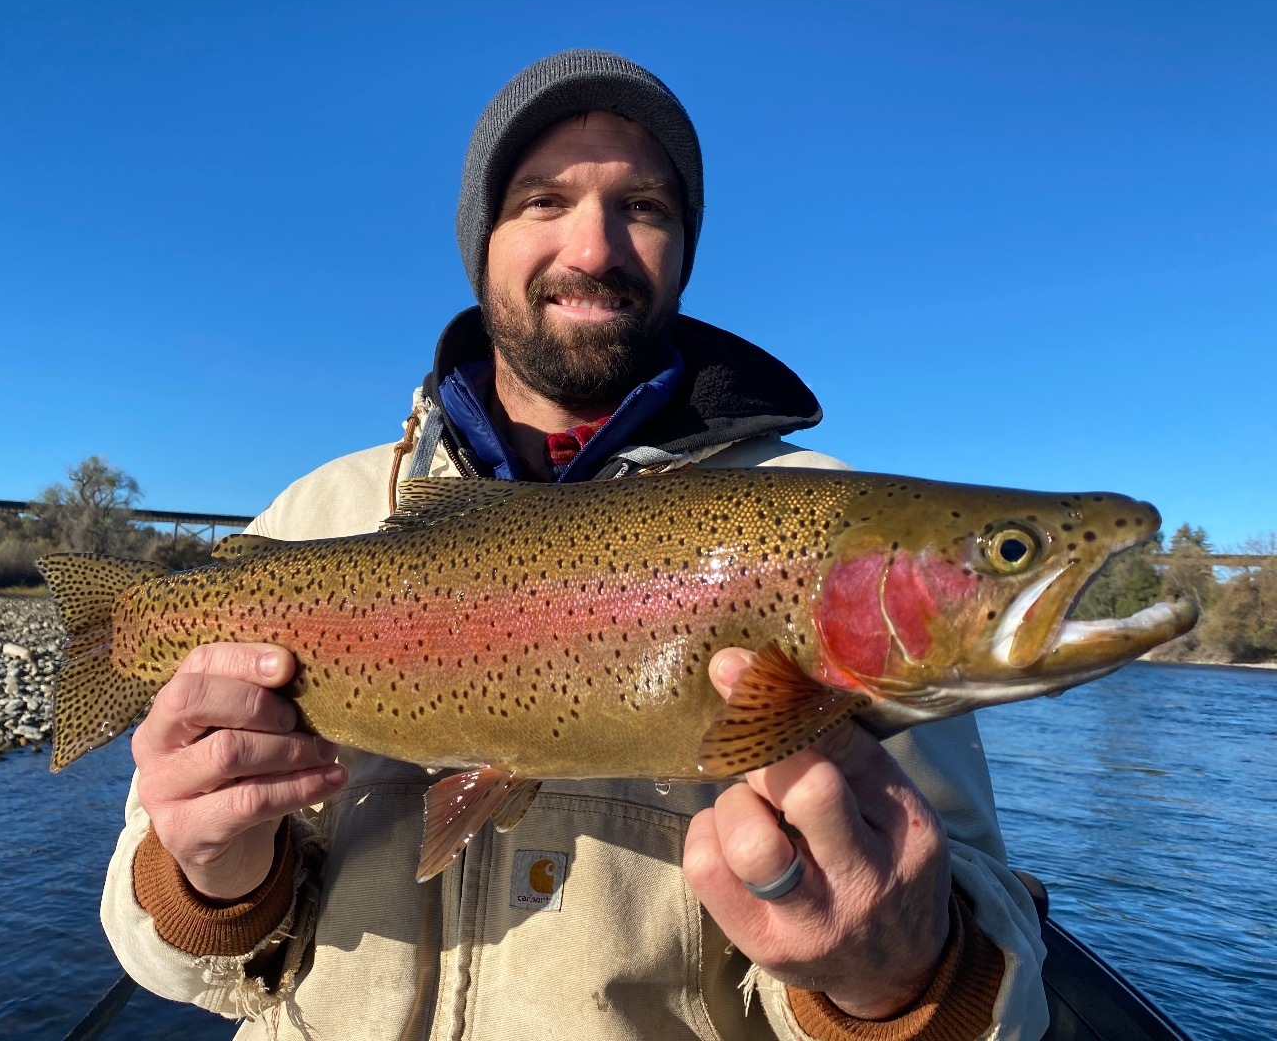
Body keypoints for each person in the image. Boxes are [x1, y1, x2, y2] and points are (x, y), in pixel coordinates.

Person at [101, 50, 1047, 1040]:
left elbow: (1001, 974)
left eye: (642, 205)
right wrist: (208, 876)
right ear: (483, 240)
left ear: (684, 247)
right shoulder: (316, 519)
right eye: (543, 201)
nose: (593, 248)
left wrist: (898, 976)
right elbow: (169, 956)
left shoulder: (832, 525)